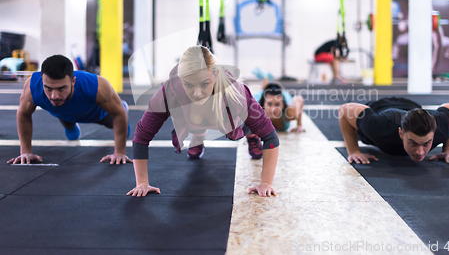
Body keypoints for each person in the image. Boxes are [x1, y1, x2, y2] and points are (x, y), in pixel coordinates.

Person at [127, 46, 279, 197]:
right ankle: (198, 135)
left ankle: (251, 135)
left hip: (228, 121)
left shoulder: (235, 92)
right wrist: (142, 183)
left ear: (216, 74)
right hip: (192, 120)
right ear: (180, 79)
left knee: (246, 127)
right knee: (196, 118)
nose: (197, 93)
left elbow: (270, 137)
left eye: (205, 84)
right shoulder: (169, 92)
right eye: (189, 85)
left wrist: (265, 182)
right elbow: (141, 137)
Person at [8, 55, 131, 165]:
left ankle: (123, 105)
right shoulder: (32, 87)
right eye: (48, 88)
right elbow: (23, 114)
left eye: (61, 88)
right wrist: (25, 152)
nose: (54, 95)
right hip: (62, 113)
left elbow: (118, 113)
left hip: (96, 114)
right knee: (70, 131)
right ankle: (70, 126)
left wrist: (119, 152)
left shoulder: (97, 86)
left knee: (122, 121)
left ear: (73, 81)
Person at [338, 97, 449, 164]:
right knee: (361, 131)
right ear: (400, 133)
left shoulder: (442, 126)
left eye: (426, 143)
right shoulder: (378, 126)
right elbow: (344, 110)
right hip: (380, 106)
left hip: (410, 105)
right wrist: (354, 150)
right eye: (413, 143)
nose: (420, 152)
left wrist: (448, 150)